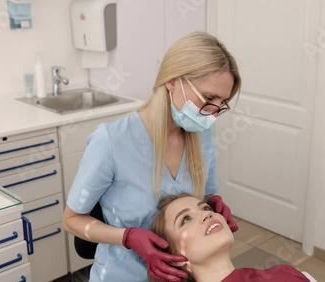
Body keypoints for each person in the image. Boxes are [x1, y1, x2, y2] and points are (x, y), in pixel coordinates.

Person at [62, 31, 242, 282]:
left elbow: (205, 194)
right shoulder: (112, 141)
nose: (212, 113)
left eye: (221, 103)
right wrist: (128, 237)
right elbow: (71, 220)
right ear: (172, 81)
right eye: (208, 97)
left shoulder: (202, 133)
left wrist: (214, 202)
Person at [151, 193, 316, 282]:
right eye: (185, 219)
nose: (206, 214)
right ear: (175, 258)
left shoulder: (286, 275)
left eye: (206, 207)